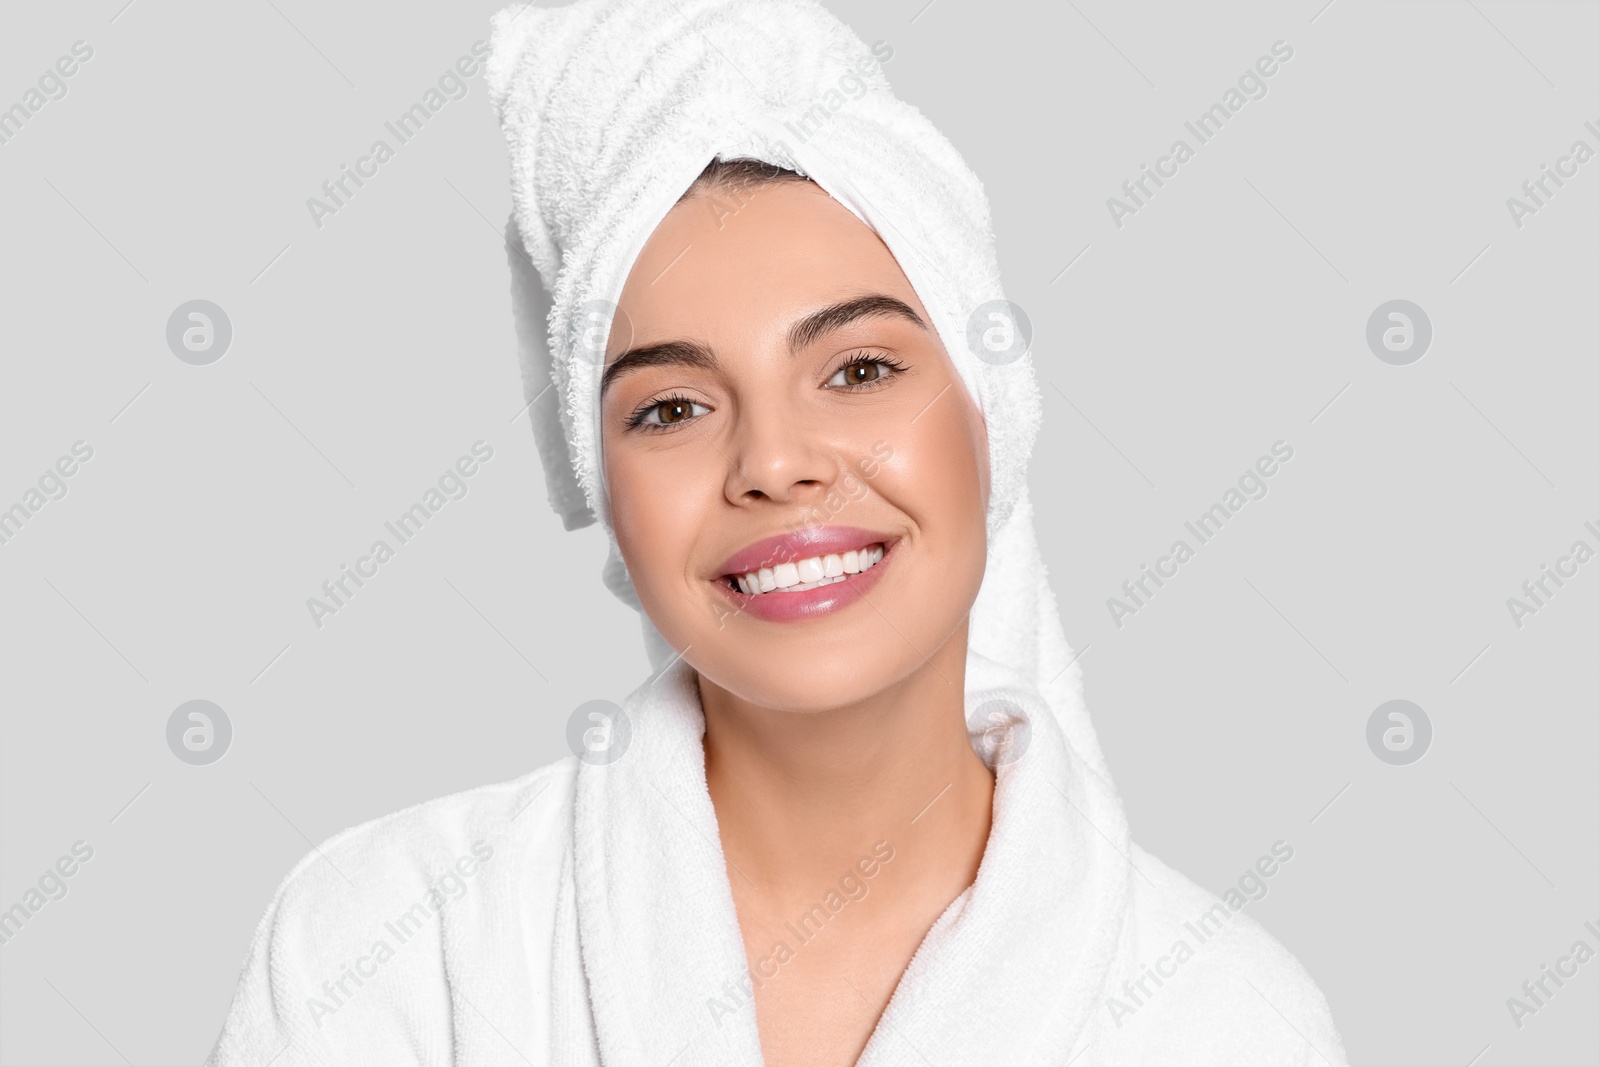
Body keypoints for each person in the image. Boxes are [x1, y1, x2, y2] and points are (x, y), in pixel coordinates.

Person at [205, 2, 1349, 1064]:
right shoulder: (387, 949)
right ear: (605, 489)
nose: (772, 462)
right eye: (672, 407)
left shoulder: (1223, 1018)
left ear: (989, 415)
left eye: (857, 369)